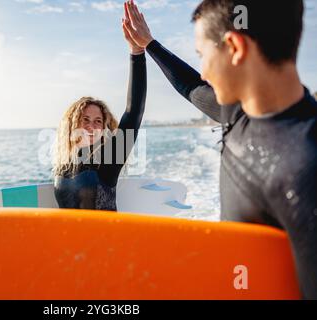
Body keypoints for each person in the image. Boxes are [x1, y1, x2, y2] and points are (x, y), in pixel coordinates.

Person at [122, 0, 317, 299]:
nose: (203, 72)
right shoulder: (238, 112)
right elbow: (190, 86)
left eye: (202, 55)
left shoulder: (306, 168)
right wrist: (148, 44)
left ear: (235, 48)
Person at [52, 21, 147, 211]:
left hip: (106, 240)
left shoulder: (109, 159)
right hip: (70, 240)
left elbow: (133, 111)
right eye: (85, 119)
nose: (91, 126)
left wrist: (137, 54)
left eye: (97, 122)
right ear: (72, 124)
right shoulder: (63, 163)